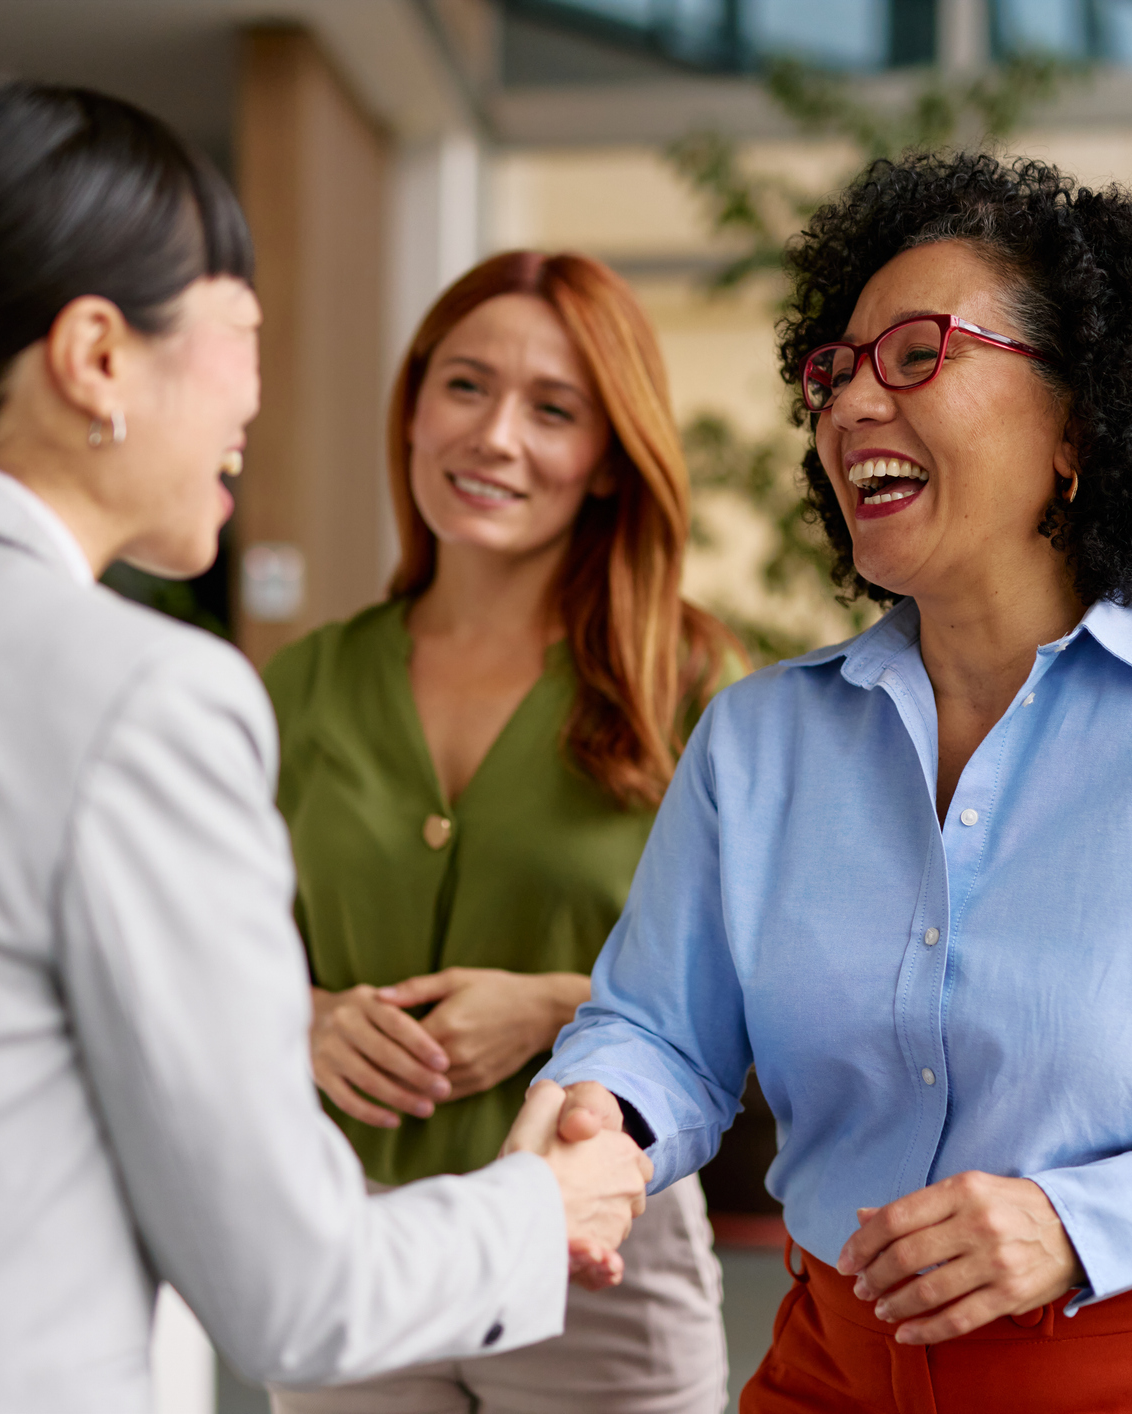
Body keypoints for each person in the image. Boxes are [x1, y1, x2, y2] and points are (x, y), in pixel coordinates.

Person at [0, 81, 650, 1414]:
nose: (255, 395)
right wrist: (542, 1207)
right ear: (96, 355)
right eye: (243, 333)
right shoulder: (143, 698)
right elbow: (299, 1286)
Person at [535, 150, 1132, 1414]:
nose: (851, 403)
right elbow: (658, 1031)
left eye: (916, 353)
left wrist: (1076, 1220)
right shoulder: (756, 742)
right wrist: (602, 1114)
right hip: (829, 1367)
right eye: (834, 370)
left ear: (1078, 424)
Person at [262, 250, 738, 1414]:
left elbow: (765, 982)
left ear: (609, 463)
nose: (494, 437)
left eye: (553, 409)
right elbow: (204, 952)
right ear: (414, 405)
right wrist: (310, 1018)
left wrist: (549, 1006)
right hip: (351, 1243)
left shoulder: (691, 685)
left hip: (599, 1252)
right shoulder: (306, 681)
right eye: (465, 386)